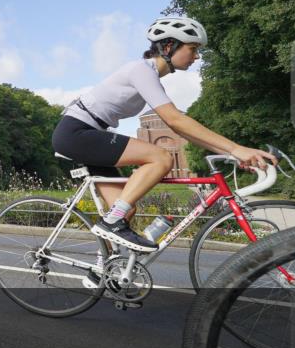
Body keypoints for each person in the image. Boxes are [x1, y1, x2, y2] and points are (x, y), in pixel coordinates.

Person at [52, 17, 277, 258]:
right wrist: (236, 148)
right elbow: (175, 120)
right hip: (76, 132)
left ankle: (103, 268)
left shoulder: (149, 76)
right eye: (193, 49)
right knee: (160, 157)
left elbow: (181, 130)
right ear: (169, 46)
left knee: (125, 209)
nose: (196, 57)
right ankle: (112, 222)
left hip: (89, 133)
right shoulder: (141, 70)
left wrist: (232, 152)